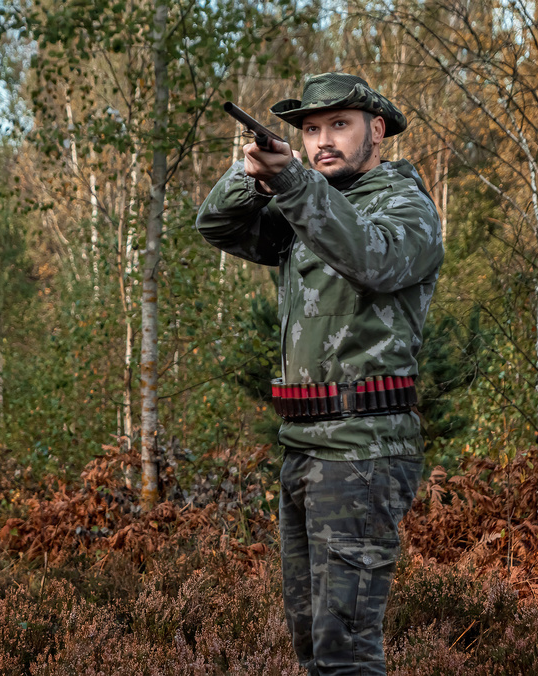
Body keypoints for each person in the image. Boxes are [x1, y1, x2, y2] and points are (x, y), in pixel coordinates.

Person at [196, 72, 444, 675]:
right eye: (310, 130)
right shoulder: (305, 204)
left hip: (362, 453)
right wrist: (252, 177)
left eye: (340, 125)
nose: (323, 140)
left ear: (377, 130)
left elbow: (373, 258)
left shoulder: (404, 205)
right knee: (313, 648)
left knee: (346, 654)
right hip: (303, 449)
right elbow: (217, 225)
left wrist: (295, 183)